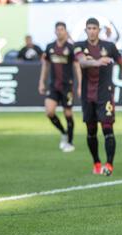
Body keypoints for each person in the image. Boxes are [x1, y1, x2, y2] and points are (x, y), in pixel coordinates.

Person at [74, 18, 122, 176]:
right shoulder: (79, 46)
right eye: (89, 28)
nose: (92, 31)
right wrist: (97, 62)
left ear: (99, 30)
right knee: (91, 131)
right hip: (88, 96)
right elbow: (82, 62)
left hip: (105, 94)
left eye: (94, 28)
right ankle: (96, 162)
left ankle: (109, 164)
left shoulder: (109, 46)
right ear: (85, 30)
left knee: (107, 128)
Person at [39, 22, 82, 152]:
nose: (59, 31)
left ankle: (70, 141)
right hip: (53, 86)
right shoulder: (50, 47)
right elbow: (45, 65)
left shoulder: (71, 47)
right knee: (49, 112)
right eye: (57, 29)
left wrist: (80, 85)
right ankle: (63, 132)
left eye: (62, 29)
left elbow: (76, 66)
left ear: (65, 31)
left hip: (67, 86)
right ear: (55, 31)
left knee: (68, 114)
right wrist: (42, 82)